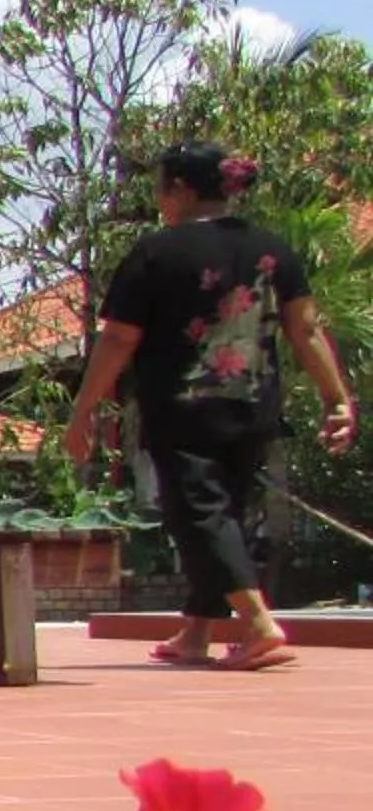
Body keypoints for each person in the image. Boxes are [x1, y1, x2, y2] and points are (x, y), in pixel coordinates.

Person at [62, 142, 356, 670]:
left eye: (160, 188)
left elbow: (119, 340)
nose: (158, 200)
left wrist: (84, 409)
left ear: (182, 189)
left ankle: (260, 626)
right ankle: (195, 632)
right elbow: (305, 329)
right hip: (251, 403)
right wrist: (337, 399)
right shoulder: (272, 250)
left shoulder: (157, 253)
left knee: (197, 516)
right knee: (224, 517)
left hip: (184, 407)